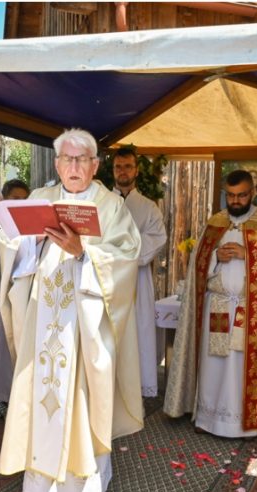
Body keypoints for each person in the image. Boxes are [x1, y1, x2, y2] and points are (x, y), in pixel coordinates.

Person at [0, 128, 144, 492]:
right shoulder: (41, 199)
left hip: (84, 323)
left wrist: (84, 252)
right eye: (67, 159)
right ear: (57, 163)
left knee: (83, 401)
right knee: (38, 397)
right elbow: (16, 253)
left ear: (96, 165)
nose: (75, 167)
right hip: (43, 320)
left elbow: (127, 257)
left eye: (83, 160)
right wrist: (15, 233)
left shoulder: (110, 206)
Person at [165, 168, 257, 437]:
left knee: (241, 365)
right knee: (214, 363)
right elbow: (197, 266)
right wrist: (214, 257)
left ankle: (244, 426)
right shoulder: (215, 224)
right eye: (231, 195)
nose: (235, 201)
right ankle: (210, 420)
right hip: (217, 306)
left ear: (253, 193)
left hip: (251, 308)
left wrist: (249, 254)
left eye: (241, 195)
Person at [111, 148, 168, 397]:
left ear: (136, 170)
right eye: (118, 166)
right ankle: (108, 389)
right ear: (112, 170)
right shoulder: (101, 204)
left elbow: (157, 238)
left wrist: (118, 249)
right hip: (105, 281)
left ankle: (136, 393)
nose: (123, 171)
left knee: (137, 333)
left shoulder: (148, 208)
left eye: (127, 166)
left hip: (136, 280)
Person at [0, 179, 32, 418]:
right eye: (16, 199)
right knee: (7, 347)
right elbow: (2, 260)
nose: (20, 203)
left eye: (25, 199)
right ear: (5, 199)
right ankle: (3, 398)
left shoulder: (30, 224)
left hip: (30, 295)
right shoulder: (2, 228)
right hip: (11, 293)